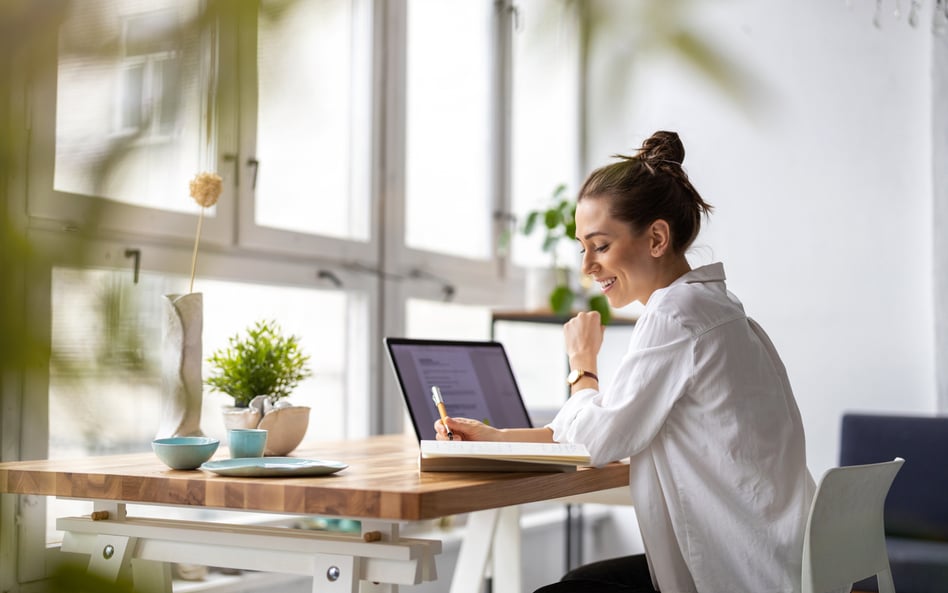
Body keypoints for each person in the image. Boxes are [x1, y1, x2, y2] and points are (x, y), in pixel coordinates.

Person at [435, 130, 815, 593]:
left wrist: (582, 363)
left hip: (737, 575)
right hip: (773, 562)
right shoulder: (717, 308)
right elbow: (608, 425)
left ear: (656, 237)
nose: (587, 267)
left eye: (600, 245)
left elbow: (596, 441)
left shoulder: (676, 316)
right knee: (581, 582)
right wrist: (496, 439)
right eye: (583, 248)